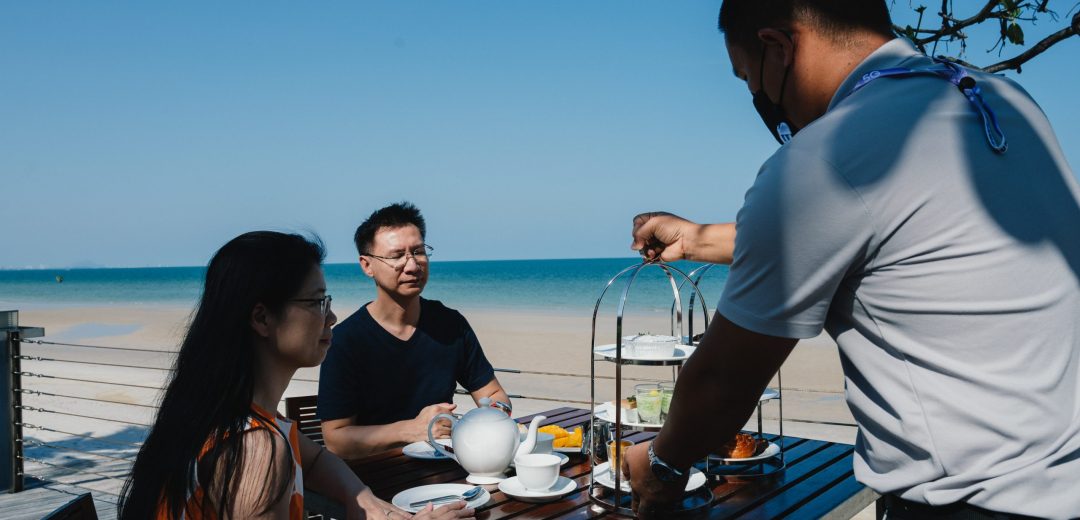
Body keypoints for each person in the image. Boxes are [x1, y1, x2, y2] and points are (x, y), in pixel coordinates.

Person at [623, 1, 1080, 518]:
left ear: (778, 46)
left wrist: (662, 463)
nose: (756, 97)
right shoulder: (998, 99)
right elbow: (895, 235)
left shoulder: (824, 156)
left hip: (970, 501)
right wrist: (697, 241)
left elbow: (723, 383)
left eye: (748, 77)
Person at [118, 231, 473, 520]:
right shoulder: (254, 448)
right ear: (262, 318)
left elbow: (317, 460)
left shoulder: (233, 412)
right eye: (317, 302)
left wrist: (361, 496)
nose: (331, 317)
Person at [319, 202, 511, 458]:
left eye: (419, 251)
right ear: (367, 265)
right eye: (397, 256)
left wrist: (492, 418)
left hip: (447, 468)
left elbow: (494, 393)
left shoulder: (450, 325)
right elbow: (336, 439)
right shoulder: (344, 341)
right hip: (373, 482)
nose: (412, 265)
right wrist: (412, 430)